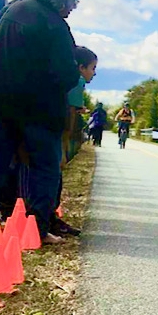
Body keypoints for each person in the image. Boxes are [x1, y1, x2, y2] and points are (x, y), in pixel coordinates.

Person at [0, 0, 83, 244]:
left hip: (1, 105)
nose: (73, 7)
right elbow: (67, 74)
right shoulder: (55, 25)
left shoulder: (13, 12)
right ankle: (36, 231)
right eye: (73, 1)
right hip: (40, 111)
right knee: (44, 169)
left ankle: (4, 216)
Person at [0, 0, 55, 220]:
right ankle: (29, 219)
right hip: (26, 107)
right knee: (29, 164)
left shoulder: (9, 13)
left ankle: (8, 212)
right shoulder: (37, 16)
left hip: (2, 102)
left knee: (2, 162)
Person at [51, 45, 98, 237]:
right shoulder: (77, 81)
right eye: (92, 68)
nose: (94, 73)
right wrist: (63, 149)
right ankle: (49, 219)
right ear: (81, 67)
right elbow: (69, 114)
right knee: (53, 175)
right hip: (53, 133)